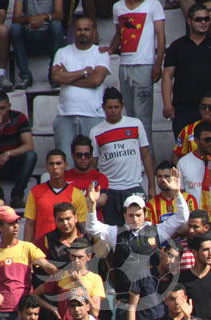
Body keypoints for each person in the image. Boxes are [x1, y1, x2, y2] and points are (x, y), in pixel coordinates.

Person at [84, 172, 188, 320]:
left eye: (138, 214)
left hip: (152, 300)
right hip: (125, 300)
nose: (135, 219)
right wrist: (92, 205)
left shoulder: (156, 231)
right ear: (125, 214)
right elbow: (92, 227)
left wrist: (177, 193)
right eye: (131, 215)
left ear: (145, 213)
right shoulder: (115, 233)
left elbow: (181, 218)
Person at [0, 206, 57, 320]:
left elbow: (42, 261)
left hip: (26, 309)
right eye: (11, 223)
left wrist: (48, 266)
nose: (16, 226)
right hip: (2, 310)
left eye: (16, 222)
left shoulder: (27, 247)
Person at [162, 3, 211, 137]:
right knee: (184, 151)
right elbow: (167, 75)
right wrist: (167, 103)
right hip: (185, 108)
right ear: (189, 21)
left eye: (206, 19)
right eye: (199, 19)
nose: (204, 22)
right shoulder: (177, 46)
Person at [90, 87, 155, 225]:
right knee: (113, 234)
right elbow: (93, 164)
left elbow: (146, 156)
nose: (113, 110)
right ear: (103, 107)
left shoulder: (135, 124)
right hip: (110, 190)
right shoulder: (96, 131)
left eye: (116, 107)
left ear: (122, 106)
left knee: (138, 229)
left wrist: (151, 185)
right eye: (109, 107)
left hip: (133, 186)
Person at [51, 17, 110, 163]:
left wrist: (68, 77)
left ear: (93, 31)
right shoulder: (62, 52)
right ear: (73, 31)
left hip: (93, 115)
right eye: (79, 29)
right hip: (66, 114)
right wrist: (82, 73)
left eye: (86, 29)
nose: (82, 32)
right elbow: (56, 78)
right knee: (66, 163)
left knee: (93, 162)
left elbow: (96, 81)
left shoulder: (101, 53)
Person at [109, 0, 166, 148]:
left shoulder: (153, 4)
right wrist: (109, 50)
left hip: (144, 65)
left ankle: (148, 162)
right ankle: (135, 160)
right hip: (124, 66)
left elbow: (160, 36)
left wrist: (158, 64)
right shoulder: (118, 7)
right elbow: (119, 34)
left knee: (143, 119)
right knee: (129, 117)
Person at [177, 122, 211, 250]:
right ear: (196, 141)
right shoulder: (183, 162)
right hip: (195, 221)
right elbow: (181, 195)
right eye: (207, 140)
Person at [23, 150, 88, 244]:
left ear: (65, 165)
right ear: (47, 166)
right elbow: (30, 224)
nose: (55, 167)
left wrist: (80, 248)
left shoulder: (77, 194)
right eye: (51, 164)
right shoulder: (35, 192)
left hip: (68, 249)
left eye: (58, 163)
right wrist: (27, 250)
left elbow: (81, 225)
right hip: (41, 249)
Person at [64, 135, 109, 220]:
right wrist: (91, 201)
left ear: (91, 156)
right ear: (73, 156)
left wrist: (73, 204)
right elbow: (60, 202)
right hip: (70, 226)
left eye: (87, 155)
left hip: (93, 226)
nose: (83, 158)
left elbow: (102, 201)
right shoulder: (64, 177)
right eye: (79, 155)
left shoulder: (100, 177)